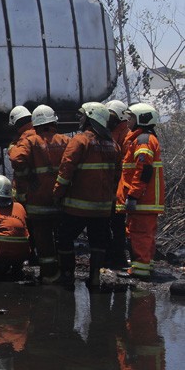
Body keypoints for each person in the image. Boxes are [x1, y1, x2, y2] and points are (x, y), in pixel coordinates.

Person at [53, 102, 121, 288]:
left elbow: (65, 170)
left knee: (64, 237)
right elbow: (117, 175)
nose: (80, 119)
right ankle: (95, 278)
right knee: (98, 242)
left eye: (82, 116)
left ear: (91, 117)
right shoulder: (113, 145)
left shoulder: (80, 141)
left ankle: (67, 275)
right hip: (102, 208)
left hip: (78, 207)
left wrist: (58, 194)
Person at [8, 104, 70, 283]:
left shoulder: (28, 141)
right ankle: (66, 274)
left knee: (44, 241)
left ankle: (49, 275)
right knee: (63, 239)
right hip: (61, 200)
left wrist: (29, 175)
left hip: (38, 201)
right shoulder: (65, 141)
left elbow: (17, 159)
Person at [115, 103, 165, 279]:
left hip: (143, 199)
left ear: (142, 119)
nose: (128, 121)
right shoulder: (146, 138)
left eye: (132, 117)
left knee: (139, 234)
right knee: (146, 234)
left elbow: (144, 169)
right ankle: (146, 265)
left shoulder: (143, 140)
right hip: (148, 199)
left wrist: (133, 196)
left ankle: (140, 271)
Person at [105, 99, 131, 269]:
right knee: (110, 223)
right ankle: (112, 257)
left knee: (118, 224)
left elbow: (124, 165)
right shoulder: (114, 132)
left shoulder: (127, 136)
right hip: (110, 188)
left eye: (111, 116)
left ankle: (119, 258)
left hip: (119, 189)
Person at [8, 105, 35, 203]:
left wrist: (11, 148)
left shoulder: (23, 139)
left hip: (27, 196)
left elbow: (16, 159)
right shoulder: (39, 135)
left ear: (16, 124)